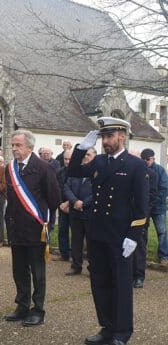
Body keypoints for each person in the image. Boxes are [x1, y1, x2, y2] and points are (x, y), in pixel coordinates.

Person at [67, 117, 149, 345]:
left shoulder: (135, 165)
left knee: (121, 286)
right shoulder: (99, 161)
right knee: (100, 282)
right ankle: (107, 327)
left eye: (110, 136)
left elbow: (142, 205)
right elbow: (73, 170)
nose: (105, 141)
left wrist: (134, 236)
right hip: (97, 232)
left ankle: (122, 333)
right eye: (103, 137)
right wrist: (81, 148)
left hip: (121, 237)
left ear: (122, 136)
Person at [4, 130, 60, 327]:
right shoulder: (10, 168)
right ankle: (22, 305)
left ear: (30, 147)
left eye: (18, 145)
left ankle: (38, 309)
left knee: (37, 271)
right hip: (16, 227)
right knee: (18, 270)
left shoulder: (44, 168)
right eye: (12, 145)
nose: (13, 148)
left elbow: (54, 199)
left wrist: (47, 224)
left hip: (36, 228)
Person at [63, 147, 96, 275]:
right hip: (75, 211)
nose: (85, 156)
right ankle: (76, 265)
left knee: (92, 242)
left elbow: (98, 191)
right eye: (84, 154)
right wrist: (75, 201)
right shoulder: (76, 170)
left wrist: (83, 203)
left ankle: (93, 268)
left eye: (88, 154)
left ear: (94, 156)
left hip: (90, 212)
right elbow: (66, 187)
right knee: (76, 240)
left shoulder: (98, 171)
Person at [130, 150, 157, 288]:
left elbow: (151, 197)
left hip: (140, 217)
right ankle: (127, 275)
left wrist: (143, 215)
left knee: (139, 247)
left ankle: (139, 276)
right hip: (125, 216)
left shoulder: (150, 174)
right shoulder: (125, 173)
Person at [140, 148, 168, 265]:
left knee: (161, 231)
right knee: (142, 231)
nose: (146, 161)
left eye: (148, 159)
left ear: (153, 158)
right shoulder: (140, 170)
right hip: (144, 207)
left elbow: (164, 188)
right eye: (144, 159)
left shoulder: (160, 170)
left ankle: (163, 256)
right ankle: (142, 254)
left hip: (158, 207)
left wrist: (153, 202)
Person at [54, 150, 72, 261]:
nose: (67, 161)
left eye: (70, 159)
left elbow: (78, 190)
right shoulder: (59, 172)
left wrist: (69, 203)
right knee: (62, 231)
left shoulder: (78, 172)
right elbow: (56, 189)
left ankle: (75, 256)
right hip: (61, 206)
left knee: (76, 234)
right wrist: (60, 204)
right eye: (65, 159)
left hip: (74, 206)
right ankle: (64, 254)